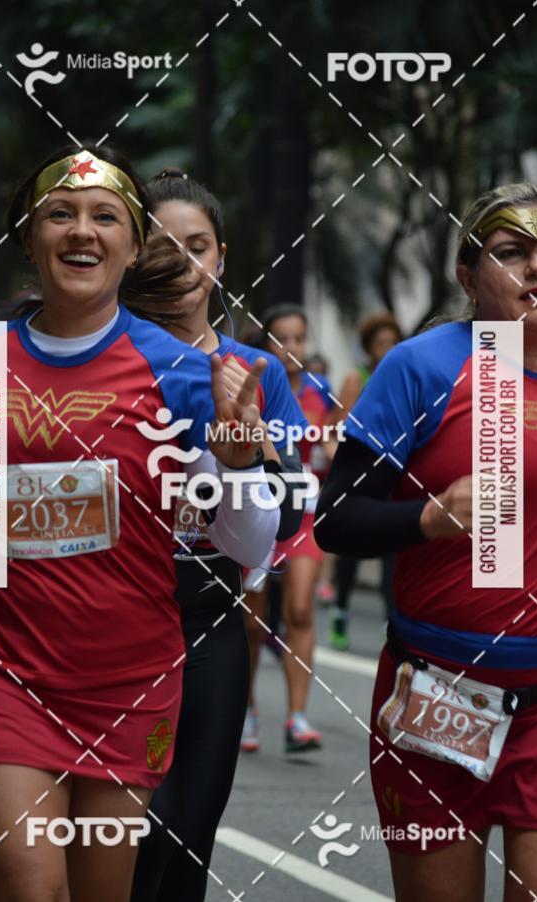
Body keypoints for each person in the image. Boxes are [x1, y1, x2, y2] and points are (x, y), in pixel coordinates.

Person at [0, 143, 278, 902]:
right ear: (29, 239)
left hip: (125, 680)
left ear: (131, 246)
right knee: (29, 888)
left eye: (104, 218)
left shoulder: (187, 376)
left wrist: (239, 462)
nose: (81, 231)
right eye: (59, 214)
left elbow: (250, 550)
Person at [315, 183, 537, 901]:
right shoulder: (424, 366)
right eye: (512, 254)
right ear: (468, 278)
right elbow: (336, 518)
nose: (535, 269)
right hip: (437, 696)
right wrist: (430, 517)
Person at [129, 169, 308, 902]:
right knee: (130, 844)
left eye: (196, 247)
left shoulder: (256, 370)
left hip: (209, 623)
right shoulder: (111, 361)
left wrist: (253, 457)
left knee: (186, 843)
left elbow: (293, 510)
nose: (180, 266)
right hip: (110, 622)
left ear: (222, 258)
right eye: (161, 247)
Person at [242, 305, 335, 755]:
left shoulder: (322, 392)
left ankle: (297, 717)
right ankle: (247, 709)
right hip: (258, 517)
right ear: (266, 345)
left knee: (299, 609)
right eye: (282, 339)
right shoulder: (252, 386)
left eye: (299, 339)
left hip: (305, 517)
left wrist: (335, 447)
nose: (293, 348)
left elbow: (338, 442)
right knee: (250, 620)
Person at [329, 311, 403, 650]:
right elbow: (336, 426)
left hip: (392, 472)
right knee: (352, 550)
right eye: (381, 343)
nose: (387, 349)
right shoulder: (356, 379)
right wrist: (338, 459)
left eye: (392, 343)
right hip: (359, 472)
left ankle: (393, 623)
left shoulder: (404, 376)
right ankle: (340, 610)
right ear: (369, 347)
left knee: (391, 548)